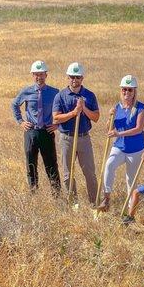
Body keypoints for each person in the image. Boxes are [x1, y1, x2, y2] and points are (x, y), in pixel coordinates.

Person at [52, 62, 99, 206]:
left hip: (84, 138)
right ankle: (74, 204)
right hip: (66, 138)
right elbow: (55, 117)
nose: (75, 80)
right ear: (68, 77)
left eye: (78, 77)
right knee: (67, 174)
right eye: (72, 77)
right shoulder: (60, 96)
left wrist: (83, 108)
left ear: (82, 78)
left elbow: (96, 117)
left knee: (89, 173)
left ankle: (94, 203)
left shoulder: (89, 95)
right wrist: (73, 113)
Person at [12, 60, 61, 195]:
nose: (39, 77)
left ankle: (56, 194)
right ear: (32, 75)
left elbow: (62, 109)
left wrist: (57, 124)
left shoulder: (55, 92)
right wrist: (21, 121)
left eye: (41, 74)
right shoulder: (26, 91)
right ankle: (33, 192)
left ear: (46, 75)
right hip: (31, 132)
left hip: (47, 132)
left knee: (51, 164)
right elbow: (15, 105)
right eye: (36, 74)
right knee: (31, 164)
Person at [99, 75, 144, 211]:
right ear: (121, 90)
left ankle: (131, 209)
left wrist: (119, 133)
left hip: (136, 149)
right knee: (109, 165)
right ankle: (106, 199)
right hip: (119, 147)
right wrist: (110, 117)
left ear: (134, 92)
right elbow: (109, 129)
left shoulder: (140, 108)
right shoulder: (117, 107)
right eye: (124, 89)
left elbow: (138, 129)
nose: (127, 92)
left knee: (130, 179)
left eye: (130, 90)